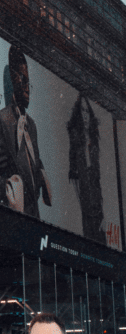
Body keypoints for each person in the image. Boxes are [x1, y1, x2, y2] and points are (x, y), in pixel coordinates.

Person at [0, 44, 52, 218]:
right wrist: (8, 190)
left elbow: (33, 162)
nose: (27, 88)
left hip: (35, 219)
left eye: (29, 82)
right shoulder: (4, 120)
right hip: (16, 220)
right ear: (12, 78)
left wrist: (41, 175)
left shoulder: (32, 125)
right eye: (23, 80)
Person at [67, 94, 106, 243]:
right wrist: (81, 206)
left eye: (87, 111)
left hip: (97, 206)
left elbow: (98, 180)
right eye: (82, 111)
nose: (85, 115)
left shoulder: (94, 145)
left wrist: (104, 213)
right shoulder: (76, 143)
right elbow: (74, 177)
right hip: (85, 207)